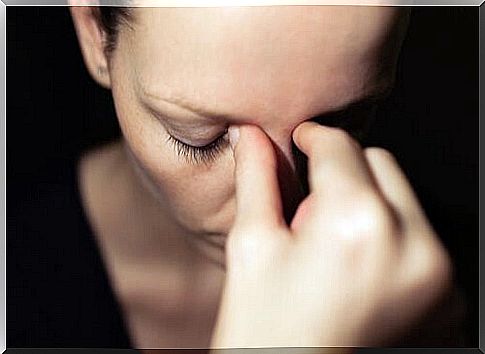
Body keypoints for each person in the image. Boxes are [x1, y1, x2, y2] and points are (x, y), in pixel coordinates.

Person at [11, 4, 466, 350]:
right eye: (200, 139)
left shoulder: (453, 286)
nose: (274, 194)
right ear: (94, 31)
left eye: (340, 125)